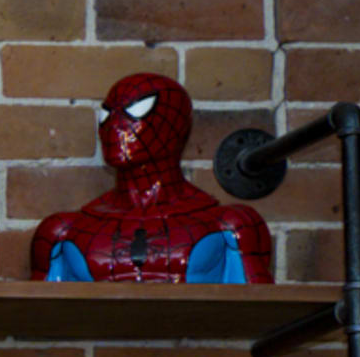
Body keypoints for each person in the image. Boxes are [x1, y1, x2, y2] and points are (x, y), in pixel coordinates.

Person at [31, 74, 273, 285]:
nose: (114, 126)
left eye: (136, 111)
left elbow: (259, 310)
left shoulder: (231, 224)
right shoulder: (63, 230)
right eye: (106, 114)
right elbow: (38, 315)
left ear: (176, 125)